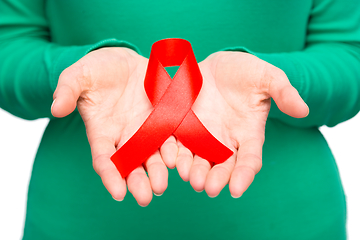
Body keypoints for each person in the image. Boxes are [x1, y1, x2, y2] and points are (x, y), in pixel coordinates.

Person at [0, 0, 359, 239]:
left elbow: (349, 53)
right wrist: (76, 73)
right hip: (76, 220)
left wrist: (277, 80)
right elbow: (10, 43)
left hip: (289, 221)